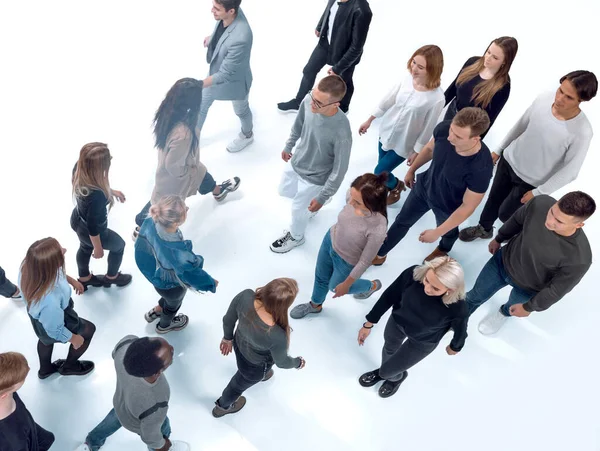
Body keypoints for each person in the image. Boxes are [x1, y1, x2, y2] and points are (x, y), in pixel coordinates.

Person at [459, 70, 598, 242]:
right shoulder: (544, 99)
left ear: (581, 100)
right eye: (561, 90)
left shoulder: (582, 132)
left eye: (569, 97)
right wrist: (499, 149)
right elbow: (521, 125)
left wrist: (539, 192)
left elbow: (571, 171)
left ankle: (510, 239)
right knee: (493, 199)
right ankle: (484, 228)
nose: (560, 98)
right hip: (509, 161)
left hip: (530, 182)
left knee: (506, 214)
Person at [373, 107, 493, 264]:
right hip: (424, 187)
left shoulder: (481, 167)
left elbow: (467, 207)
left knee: (448, 233)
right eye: (451, 130)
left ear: (475, 139)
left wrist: (437, 232)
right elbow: (430, 149)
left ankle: (443, 249)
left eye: (457, 136)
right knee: (402, 221)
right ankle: (380, 254)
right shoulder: (444, 130)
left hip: (448, 206)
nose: (450, 137)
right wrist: (412, 169)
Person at [466, 191, 595, 335]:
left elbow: (556, 290)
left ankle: (503, 313)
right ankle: (457, 318)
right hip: (503, 262)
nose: (550, 221)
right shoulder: (540, 204)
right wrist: (499, 238)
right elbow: (516, 220)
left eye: (559, 221)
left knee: (511, 309)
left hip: (528, 288)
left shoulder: (579, 258)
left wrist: (529, 307)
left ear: (579, 225)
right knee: (474, 296)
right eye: (552, 212)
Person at [134, 78, 241, 234]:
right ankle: (140, 227)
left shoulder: (169, 112)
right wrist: (187, 173)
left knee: (202, 174)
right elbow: (173, 165)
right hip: (174, 179)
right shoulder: (183, 134)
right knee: (163, 207)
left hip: (186, 166)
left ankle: (218, 191)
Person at [357, 257, 468, 398]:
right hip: (398, 322)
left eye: (435, 288)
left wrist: (455, 347)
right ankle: (391, 372)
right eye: (427, 280)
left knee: (386, 372)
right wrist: (369, 323)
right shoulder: (413, 274)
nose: (427, 289)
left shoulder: (458, 307)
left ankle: (393, 377)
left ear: (450, 289)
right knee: (389, 348)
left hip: (423, 341)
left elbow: (461, 330)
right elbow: (389, 296)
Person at [271, 75, 352, 253]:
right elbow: (298, 124)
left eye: (319, 103)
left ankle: (296, 237)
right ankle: (311, 203)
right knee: (284, 191)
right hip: (297, 162)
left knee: (297, 211)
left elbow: (340, 170)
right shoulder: (309, 100)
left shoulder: (342, 131)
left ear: (335, 105)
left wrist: (322, 196)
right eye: (313, 97)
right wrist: (289, 144)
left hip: (316, 178)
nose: (312, 104)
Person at [290, 173, 388, 319]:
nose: (350, 202)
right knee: (320, 277)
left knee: (334, 287)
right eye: (352, 197)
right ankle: (315, 305)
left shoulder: (378, 228)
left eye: (357, 202)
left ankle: (371, 286)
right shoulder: (352, 195)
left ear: (371, 204)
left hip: (347, 261)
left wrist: (347, 285)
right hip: (330, 241)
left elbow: (364, 261)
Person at [359, 45, 445, 205]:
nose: (414, 69)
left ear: (433, 69)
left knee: (379, 171)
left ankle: (396, 186)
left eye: (421, 67)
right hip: (385, 132)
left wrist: (417, 152)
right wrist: (370, 119)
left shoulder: (436, 98)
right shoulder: (406, 80)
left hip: (404, 143)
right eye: (413, 63)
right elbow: (388, 100)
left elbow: (429, 127)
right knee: (382, 169)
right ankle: (385, 187)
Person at [76, 335, 189, 451]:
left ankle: (90, 443)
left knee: (115, 417)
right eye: (170, 353)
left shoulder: (125, 344)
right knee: (162, 429)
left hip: (122, 401)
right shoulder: (157, 399)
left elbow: (114, 353)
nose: (172, 348)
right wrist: (162, 445)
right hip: (140, 418)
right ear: (157, 372)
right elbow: (150, 436)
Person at [214, 279, 305, 417]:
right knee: (236, 386)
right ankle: (222, 407)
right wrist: (297, 362)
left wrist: (227, 338)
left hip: (238, 345)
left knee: (247, 371)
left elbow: (228, 320)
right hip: (254, 368)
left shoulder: (245, 296)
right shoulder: (278, 335)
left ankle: (264, 374)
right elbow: (281, 362)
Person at [135, 196, 218, 334]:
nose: (187, 208)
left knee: (167, 299)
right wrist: (210, 282)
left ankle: (159, 309)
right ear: (176, 222)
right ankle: (165, 325)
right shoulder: (176, 251)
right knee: (173, 305)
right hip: (172, 287)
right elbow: (191, 273)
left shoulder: (151, 220)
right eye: (185, 209)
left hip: (154, 275)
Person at [277, 0, 372, 114]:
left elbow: (356, 48)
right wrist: (321, 25)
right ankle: (299, 102)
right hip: (325, 43)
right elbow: (329, 10)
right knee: (309, 70)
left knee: (344, 81)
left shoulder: (362, 10)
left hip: (345, 52)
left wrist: (338, 68)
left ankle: (343, 109)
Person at [20, 238, 96, 378]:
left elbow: (52, 272)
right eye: (61, 252)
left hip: (38, 316)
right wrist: (72, 338)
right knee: (88, 330)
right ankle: (69, 366)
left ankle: (45, 370)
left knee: (45, 340)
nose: (65, 250)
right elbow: (54, 329)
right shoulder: (49, 301)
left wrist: (71, 280)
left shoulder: (28, 266)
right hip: (57, 317)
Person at [71, 142, 132, 290]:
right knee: (119, 246)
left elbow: (94, 184)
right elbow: (93, 227)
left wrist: (111, 191)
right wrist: (98, 248)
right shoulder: (97, 197)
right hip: (91, 231)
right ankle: (112, 277)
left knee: (85, 247)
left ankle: (84, 278)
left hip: (77, 220)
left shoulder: (78, 169)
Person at [198, 0, 254, 153]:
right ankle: (193, 139)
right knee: (202, 103)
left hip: (234, 82)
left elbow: (225, 74)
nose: (212, 10)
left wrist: (198, 84)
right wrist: (213, 39)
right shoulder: (231, 13)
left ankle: (247, 135)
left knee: (241, 111)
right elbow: (225, 33)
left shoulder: (241, 37)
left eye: (217, 9)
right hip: (217, 74)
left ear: (231, 11)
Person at [444, 36, 518, 137]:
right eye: (488, 52)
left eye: (495, 57)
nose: (488, 58)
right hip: (451, 113)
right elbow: (452, 89)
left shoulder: (503, 87)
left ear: (505, 61)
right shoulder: (472, 62)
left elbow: (488, 121)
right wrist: (436, 108)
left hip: (467, 129)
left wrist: (472, 143)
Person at [0, 352, 55, 450]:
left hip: (29, 426)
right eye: (21, 378)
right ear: (4, 395)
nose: (29, 369)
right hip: (22, 437)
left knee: (48, 439)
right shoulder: (10, 440)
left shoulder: (7, 390)